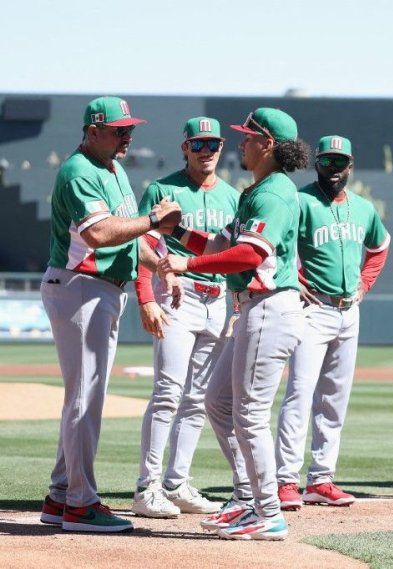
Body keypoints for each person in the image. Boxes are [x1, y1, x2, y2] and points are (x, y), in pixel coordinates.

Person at [158, 107, 310, 539]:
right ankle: (247, 500)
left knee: (250, 413)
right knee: (219, 403)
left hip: (270, 307)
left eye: (247, 136)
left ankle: (268, 512)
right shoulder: (257, 189)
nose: (240, 142)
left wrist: (186, 262)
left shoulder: (275, 192)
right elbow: (224, 243)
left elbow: (249, 255)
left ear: (268, 144)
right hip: (254, 308)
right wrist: (178, 231)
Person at [39, 96, 182, 533]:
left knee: (85, 396)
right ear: (93, 130)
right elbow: (100, 234)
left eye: (130, 128)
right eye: (120, 129)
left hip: (101, 289)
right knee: (85, 399)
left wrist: (157, 261)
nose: (128, 136)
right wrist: (153, 223)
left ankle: (61, 493)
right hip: (80, 287)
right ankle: (81, 505)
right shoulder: (78, 171)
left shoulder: (114, 170)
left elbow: (124, 230)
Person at [275, 135, 390, 510]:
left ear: (351, 165)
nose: (334, 169)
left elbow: (380, 246)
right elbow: (280, 245)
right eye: (327, 162)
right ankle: (286, 480)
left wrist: (364, 284)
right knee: (300, 393)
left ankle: (321, 478)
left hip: (348, 311)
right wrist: (294, 277)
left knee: (334, 399)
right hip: (313, 310)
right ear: (316, 164)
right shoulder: (301, 200)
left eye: (340, 162)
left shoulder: (363, 208)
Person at [132, 117, 239, 518]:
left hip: (217, 300)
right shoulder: (164, 189)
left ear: (221, 147)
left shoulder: (232, 195)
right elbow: (141, 244)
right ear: (185, 147)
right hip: (178, 295)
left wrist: (238, 306)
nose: (206, 151)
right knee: (168, 391)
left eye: (213, 144)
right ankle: (147, 486)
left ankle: (177, 483)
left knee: (197, 398)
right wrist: (147, 298)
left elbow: (235, 255)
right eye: (198, 144)